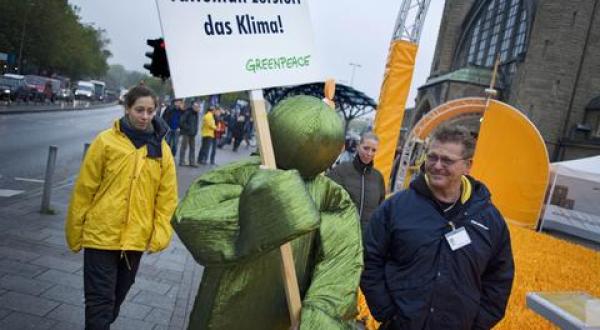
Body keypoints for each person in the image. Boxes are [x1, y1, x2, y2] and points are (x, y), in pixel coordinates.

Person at [172, 95, 362, 329]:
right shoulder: (331, 197)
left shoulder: (332, 197)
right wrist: (277, 202)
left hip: (281, 312)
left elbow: (339, 263)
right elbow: (194, 219)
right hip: (230, 307)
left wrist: (318, 316)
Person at [360, 124, 514, 330]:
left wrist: (476, 325)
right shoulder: (396, 207)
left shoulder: (489, 220)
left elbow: (499, 279)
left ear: (467, 166)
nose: (437, 165)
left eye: (447, 160)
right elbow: (369, 259)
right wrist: (388, 313)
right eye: (432, 157)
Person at [65, 85, 178, 329]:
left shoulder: (162, 151)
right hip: (100, 235)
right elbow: (85, 189)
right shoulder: (105, 142)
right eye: (139, 110)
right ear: (127, 108)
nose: (145, 116)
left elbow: (166, 197)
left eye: (150, 111)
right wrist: (75, 230)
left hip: (134, 240)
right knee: (99, 303)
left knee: (115, 301)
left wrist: (159, 233)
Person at [327, 132, 385, 235]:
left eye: (373, 150)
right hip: (340, 235)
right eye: (366, 148)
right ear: (358, 147)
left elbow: (379, 210)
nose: (369, 153)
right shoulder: (341, 170)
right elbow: (327, 199)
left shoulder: (378, 178)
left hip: (365, 238)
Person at [179, 101, 200, 166]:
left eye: (198, 107)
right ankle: (181, 161)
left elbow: (196, 124)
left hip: (192, 133)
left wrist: (195, 130)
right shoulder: (188, 112)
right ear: (193, 107)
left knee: (192, 148)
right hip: (186, 133)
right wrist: (188, 128)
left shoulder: (196, 114)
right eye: (196, 107)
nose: (197, 108)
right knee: (184, 147)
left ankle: (192, 162)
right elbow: (181, 122)